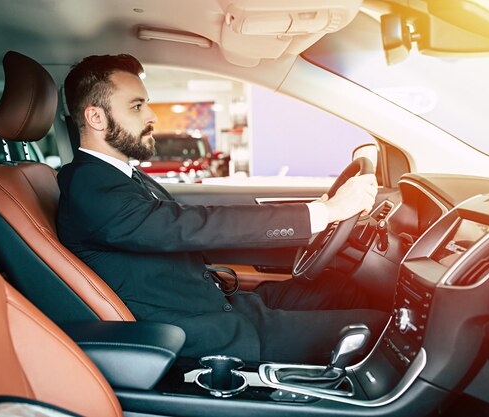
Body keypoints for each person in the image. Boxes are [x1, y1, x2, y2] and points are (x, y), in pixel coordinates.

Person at [57, 54, 388, 364]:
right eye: (137, 106)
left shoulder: (121, 176)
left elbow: (189, 224)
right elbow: (186, 226)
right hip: (206, 333)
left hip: (223, 307)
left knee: (343, 289)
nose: (152, 116)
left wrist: (317, 215)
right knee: (382, 330)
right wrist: (323, 213)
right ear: (96, 117)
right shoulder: (89, 185)